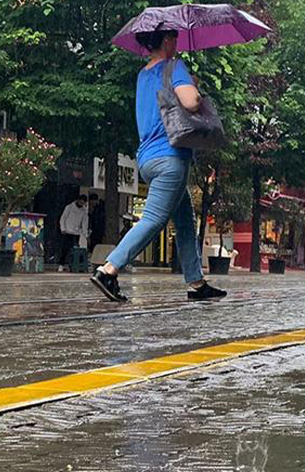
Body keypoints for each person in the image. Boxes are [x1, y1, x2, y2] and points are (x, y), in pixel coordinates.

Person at [91, 29, 226, 302]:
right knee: (153, 219)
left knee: (185, 221)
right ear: (167, 41)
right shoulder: (174, 66)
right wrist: (193, 88)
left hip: (147, 158)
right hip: (170, 157)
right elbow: (191, 102)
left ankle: (197, 283)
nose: (177, 44)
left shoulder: (143, 75)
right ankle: (109, 269)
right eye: (174, 39)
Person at [59, 194, 89, 268]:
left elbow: (84, 224)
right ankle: (61, 264)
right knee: (65, 249)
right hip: (67, 231)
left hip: (76, 233)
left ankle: (72, 265)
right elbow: (63, 218)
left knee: (75, 250)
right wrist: (63, 228)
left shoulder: (84, 211)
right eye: (81, 202)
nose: (81, 204)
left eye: (83, 203)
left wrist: (86, 234)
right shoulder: (69, 207)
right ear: (78, 200)